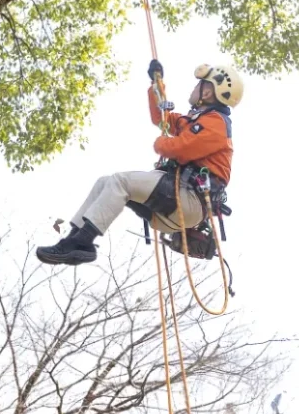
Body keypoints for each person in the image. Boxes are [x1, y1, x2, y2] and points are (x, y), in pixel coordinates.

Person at [35, 60, 243, 266]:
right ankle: (74, 240)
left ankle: (83, 242)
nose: (195, 88)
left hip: (188, 201)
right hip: (173, 203)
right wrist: (156, 84)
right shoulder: (195, 119)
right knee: (105, 182)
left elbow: (179, 148)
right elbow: (162, 118)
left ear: (207, 92)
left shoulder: (216, 124)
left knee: (121, 181)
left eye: (199, 85)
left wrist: (162, 143)